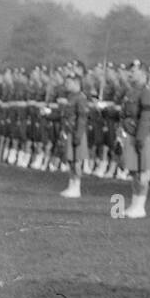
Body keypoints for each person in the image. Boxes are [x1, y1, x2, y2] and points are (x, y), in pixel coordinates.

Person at [118, 60, 150, 218]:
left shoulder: (146, 91)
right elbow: (125, 114)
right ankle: (134, 204)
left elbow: (146, 117)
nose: (130, 73)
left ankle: (140, 206)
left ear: (143, 73)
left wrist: (140, 137)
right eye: (130, 71)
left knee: (142, 172)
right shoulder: (131, 91)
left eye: (134, 71)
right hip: (130, 133)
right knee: (134, 171)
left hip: (140, 135)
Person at [58, 63, 90, 198]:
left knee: (76, 161)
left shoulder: (81, 97)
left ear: (76, 83)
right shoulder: (71, 97)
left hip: (77, 132)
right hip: (69, 131)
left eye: (68, 82)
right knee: (70, 160)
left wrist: (78, 134)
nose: (66, 85)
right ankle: (71, 185)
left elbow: (82, 117)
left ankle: (76, 187)